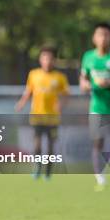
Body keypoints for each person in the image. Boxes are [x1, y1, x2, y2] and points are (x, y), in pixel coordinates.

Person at [79, 23, 110, 191]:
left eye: (106, 35)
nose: (103, 38)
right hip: (97, 107)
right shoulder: (88, 57)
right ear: (94, 38)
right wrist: (84, 85)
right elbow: (83, 78)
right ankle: (99, 178)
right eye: (99, 35)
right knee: (97, 143)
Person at [15, 47, 69, 180]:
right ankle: (37, 167)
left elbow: (66, 95)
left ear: (54, 60)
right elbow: (28, 91)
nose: (47, 61)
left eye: (50, 58)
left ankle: (48, 172)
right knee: (37, 144)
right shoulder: (34, 74)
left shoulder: (60, 77)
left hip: (52, 118)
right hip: (37, 116)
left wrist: (60, 105)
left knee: (51, 146)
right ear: (40, 59)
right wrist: (21, 103)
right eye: (45, 58)